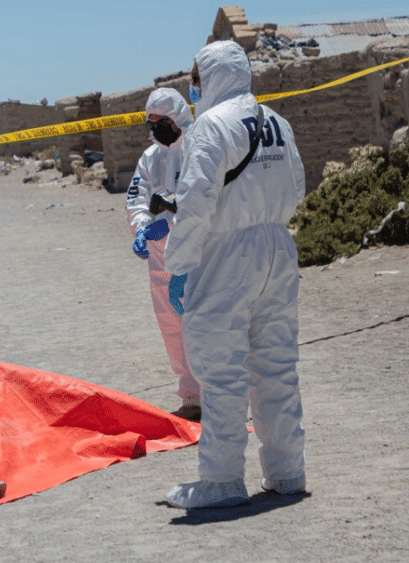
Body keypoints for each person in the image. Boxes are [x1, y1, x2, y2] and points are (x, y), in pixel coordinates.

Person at [163, 40, 307, 509]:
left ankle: (223, 479)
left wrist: (178, 266)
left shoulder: (211, 125)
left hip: (226, 254)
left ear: (209, 76)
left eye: (196, 77)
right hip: (277, 248)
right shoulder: (278, 124)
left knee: (221, 370)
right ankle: (287, 472)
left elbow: (196, 204)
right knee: (276, 365)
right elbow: (299, 185)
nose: (194, 87)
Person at [125, 87, 201, 423]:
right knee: (172, 327)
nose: (155, 127)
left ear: (176, 118)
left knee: (202, 323)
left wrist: (168, 223)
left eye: (160, 120)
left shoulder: (199, 149)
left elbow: (201, 199)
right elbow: (138, 198)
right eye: (150, 121)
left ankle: (219, 394)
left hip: (198, 256)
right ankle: (191, 396)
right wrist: (142, 227)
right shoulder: (150, 158)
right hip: (160, 260)